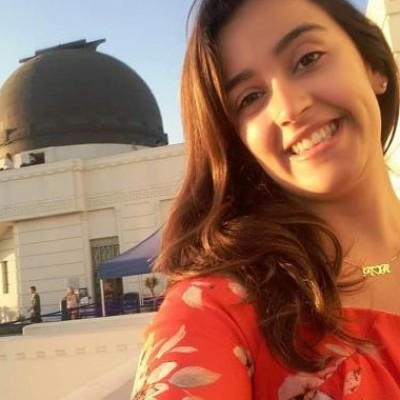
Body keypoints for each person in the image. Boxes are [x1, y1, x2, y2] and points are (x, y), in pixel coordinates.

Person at [132, 0, 400, 398]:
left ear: (373, 66)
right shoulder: (216, 312)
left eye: (308, 59)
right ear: (237, 143)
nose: (290, 108)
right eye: (250, 98)